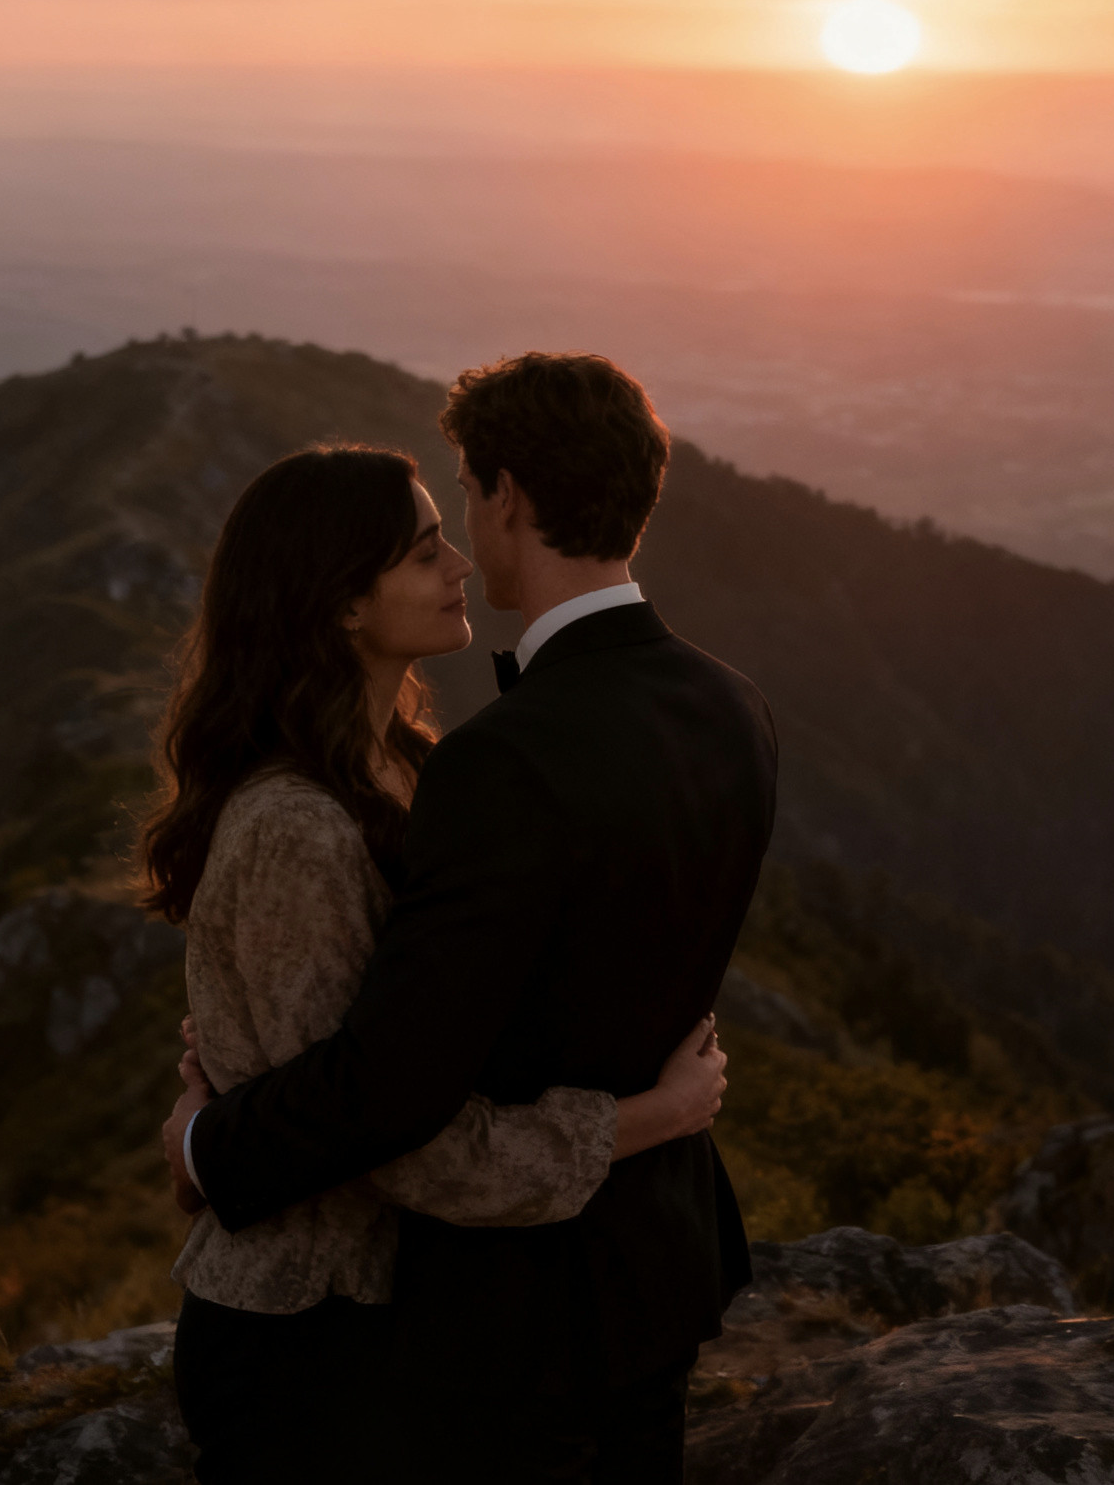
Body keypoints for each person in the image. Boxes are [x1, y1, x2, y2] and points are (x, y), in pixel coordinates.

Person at [165, 354, 779, 1482]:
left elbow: (388, 1088)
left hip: (510, 1309)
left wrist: (214, 1138)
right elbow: (386, 1099)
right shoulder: (731, 705)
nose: (453, 559)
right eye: (417, 546)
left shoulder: (467, 765)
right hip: (412, 1319)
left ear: (505, 496)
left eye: (454, 517)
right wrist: (656, 1113)